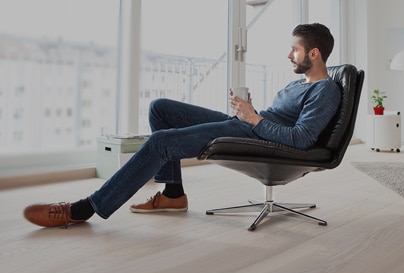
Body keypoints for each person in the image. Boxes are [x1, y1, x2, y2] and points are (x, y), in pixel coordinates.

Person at [23, 23, 341, 228]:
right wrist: (248, 110)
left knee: (162, 141)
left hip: (253, 134)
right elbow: (276, 119)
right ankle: (173, 193)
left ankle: (86, 209)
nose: (289, 54)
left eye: (295, 49)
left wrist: (253, 119)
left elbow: (300, 139)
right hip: (247, 125)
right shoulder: (296, 86)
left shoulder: (325, 90)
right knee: (160, 108)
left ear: (314, 53)